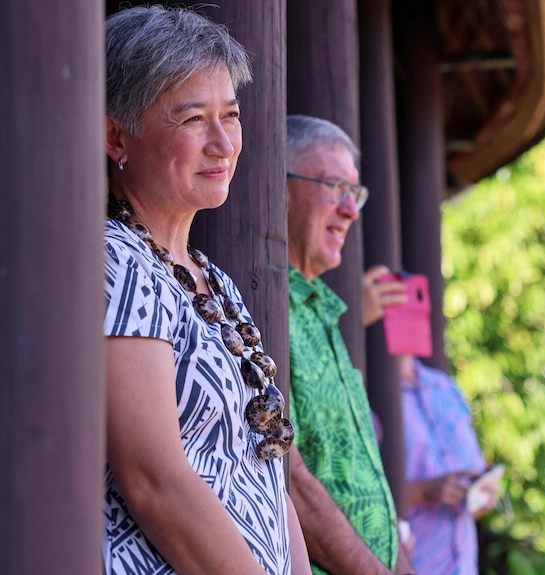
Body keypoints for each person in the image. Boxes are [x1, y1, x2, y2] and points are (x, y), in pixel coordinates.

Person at [102, 6, 309, 574]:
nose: (223, 143)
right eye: (193, 119)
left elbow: (264, 471)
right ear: (116, 134)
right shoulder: (114, 262)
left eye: (232, 115)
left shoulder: (209, 280)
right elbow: (155, 483)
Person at [286, 114, 415, 575]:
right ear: (280, 187)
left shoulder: (323, 311)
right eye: (334, 187)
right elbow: (290, 484)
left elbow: (363, 476)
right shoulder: (267, 308)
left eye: (354, 194)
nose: (351, 210)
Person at [399, 356, 500, 575]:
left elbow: (474, 475)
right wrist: (422, 491)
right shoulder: (368, 393)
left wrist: (481, 495)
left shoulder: (446, 387)